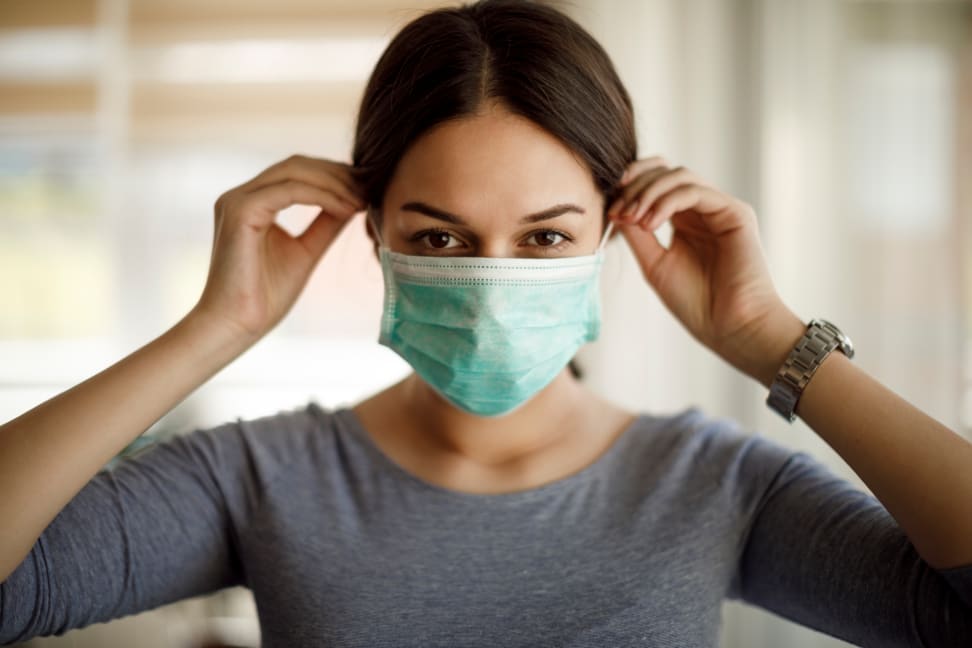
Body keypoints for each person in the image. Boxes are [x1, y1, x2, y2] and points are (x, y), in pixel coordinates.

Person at [1, 0, 970, 646]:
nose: (495, 278)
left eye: (545, 239)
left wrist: (769, 336)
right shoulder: (260, 477)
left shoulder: (717, 484)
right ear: (375, 233)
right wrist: (216, 328)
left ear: (611, 233)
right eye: (443, 238)